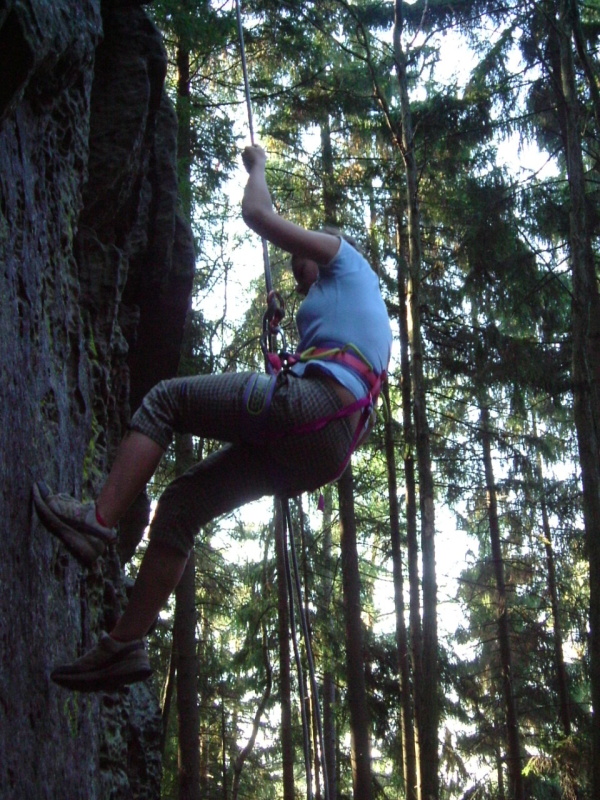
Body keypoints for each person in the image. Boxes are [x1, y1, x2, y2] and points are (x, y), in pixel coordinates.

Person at [33, 144, 393, 691]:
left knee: (166, 401)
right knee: (183, 505)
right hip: (322, 448)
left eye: (302, 266)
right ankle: (124, 646)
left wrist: (259, 167)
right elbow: (336, 382)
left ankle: (96, 522)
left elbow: (259, 215)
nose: (299, 276)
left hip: (312, 409)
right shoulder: (358, 318)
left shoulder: (345, 258)